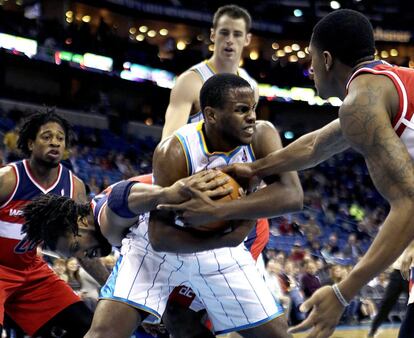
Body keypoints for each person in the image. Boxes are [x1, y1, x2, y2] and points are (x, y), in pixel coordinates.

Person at [173, 9, 414, 338]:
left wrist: (343, 291)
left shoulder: (361, 104)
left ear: (327, 59)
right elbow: (316, 145)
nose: (309, 68)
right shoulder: (384, 86)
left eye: (311, 58)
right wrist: (255, 168)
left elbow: (410, 205)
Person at [152, 73, 302, 337]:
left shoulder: (262, 134)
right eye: (242, 110)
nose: (252, 117)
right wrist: (218, 239)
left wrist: (220, 213)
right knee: (177, 317)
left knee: (273, 332)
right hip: (191, 239)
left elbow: (292, 196)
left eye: (253, 108)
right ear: (210, 115)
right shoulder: (174, 151)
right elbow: (160, 236)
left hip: (246, 233)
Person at [22, 169, 249, 338]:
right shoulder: (107, 223)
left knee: (179, 318)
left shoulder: (105, 217)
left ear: (80, 222)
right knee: (176, 319)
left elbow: (121, 199)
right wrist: (147, 309)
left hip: (233, 229)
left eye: (75, 248)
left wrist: (167, 194)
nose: (83, 255)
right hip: (210, 237)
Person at [0, 111, 94, 337]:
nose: (54, 142)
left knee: (90, 327)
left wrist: (118, 292)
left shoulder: (74, 187)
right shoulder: (8, 179)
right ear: (31, 144)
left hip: (31, 271)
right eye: (47, 136)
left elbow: (83, 247)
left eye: (60, 138)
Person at [162, 4, 257, 139]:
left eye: (237, 34)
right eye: (224, 33)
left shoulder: (251, 86)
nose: (230, 40)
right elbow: (167, 147)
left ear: (247, 39)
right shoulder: (190, 82)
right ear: (213, 35)